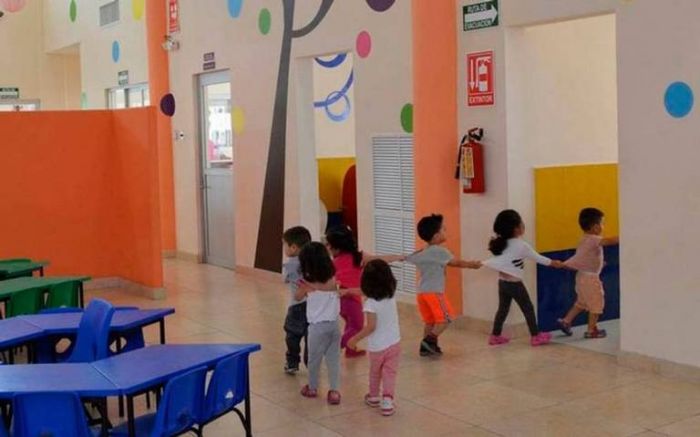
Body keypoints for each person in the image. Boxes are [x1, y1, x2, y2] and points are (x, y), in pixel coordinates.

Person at [482, 210, 563, 347]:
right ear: (516, 229)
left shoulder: (501, 243)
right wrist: (554, 263)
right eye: (521, 223)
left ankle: (495, 336)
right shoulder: (522, 245)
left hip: (502, 283)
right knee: (528, 308)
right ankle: (535, 336)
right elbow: (538, 258)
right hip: (515, 284)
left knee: (502, 310)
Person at [406, 214, 481, 357]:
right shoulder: (439, 251)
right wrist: (472, 265)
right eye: (443, 230)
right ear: (436, 236)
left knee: (430, 321)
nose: (446, 231)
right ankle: (429, 341)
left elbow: (410, 258)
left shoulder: (424, 251)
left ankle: (426, 348)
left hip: (422, 293)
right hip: (434, 292)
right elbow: (456, 263)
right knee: (447, 318)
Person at [325, 226, 403, 358]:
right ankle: (335, 347)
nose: (327, 247)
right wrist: (398, 257)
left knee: (351, 324)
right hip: (351, 299)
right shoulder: (358, 257)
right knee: (357, 327)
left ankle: (350, 350)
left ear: (337, 247)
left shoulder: (333, 262)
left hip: (339, 299)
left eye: (328, 245)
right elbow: (380, 260)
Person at [347, 260, 401, 417]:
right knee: (389, 372)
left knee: (375, 372)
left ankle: (374, 396)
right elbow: (363, 291)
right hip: (394, 342)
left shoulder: (370, 303)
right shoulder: (391, 295)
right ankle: (388, 401)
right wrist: (348, 291)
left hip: (378, 347)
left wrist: (354, 339)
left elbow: (371, 327)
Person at [558, 208, 619, 339]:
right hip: (590, 279)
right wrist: (626, 235)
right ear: (596, 227)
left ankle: (566, 321)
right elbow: (609, 241)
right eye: (602, 223)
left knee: (582, 302)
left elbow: (587, 256)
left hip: (581, 276)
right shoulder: (594, 239)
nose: (603, 227)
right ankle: (591, 330)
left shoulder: (583, 239)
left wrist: (600, 264)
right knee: (597, 303)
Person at [296, 242, 342, 405]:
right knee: (333, 359)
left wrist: (302, 287)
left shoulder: (307, 284)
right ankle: (335, 391)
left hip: (317, 328)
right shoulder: (333, 280)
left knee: (314, 359)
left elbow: (297, 297)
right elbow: (333, 289)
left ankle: (312, 387)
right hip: (334, 325)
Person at [282, 226, 312, 374]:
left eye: (284, 244)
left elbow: (285, 280)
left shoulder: (290, 264)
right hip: (312, 305)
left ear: (293, 247)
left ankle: (292, 362)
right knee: (310, 336)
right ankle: (311, 363)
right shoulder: (313, 261)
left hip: (297, 306)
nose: (284, 248)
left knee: (292, 335)